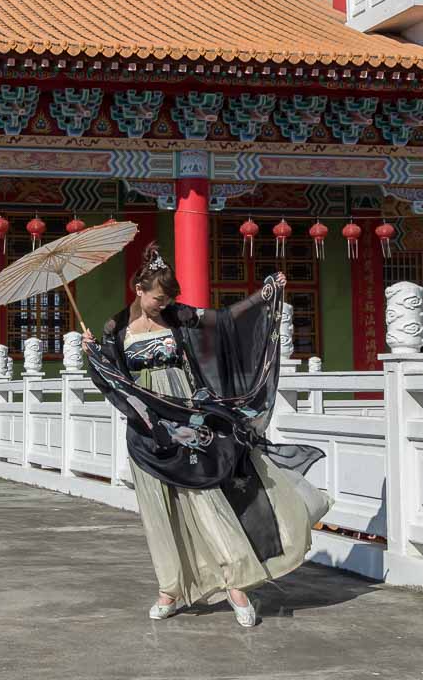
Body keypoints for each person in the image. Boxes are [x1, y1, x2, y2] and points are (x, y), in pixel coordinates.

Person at [82, 241, 330, 628]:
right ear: (139, 290)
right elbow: (114, 382)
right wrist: (94, 355)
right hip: (147, 428)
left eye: (167, 300)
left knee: (206, 498)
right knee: (159, 511)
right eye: (158, 299)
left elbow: (225, 320)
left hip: (188, 422)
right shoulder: (115, 330)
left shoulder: (177, 317)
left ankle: (236, 583)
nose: (163, 305)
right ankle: (170, 589)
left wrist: (263, 296)